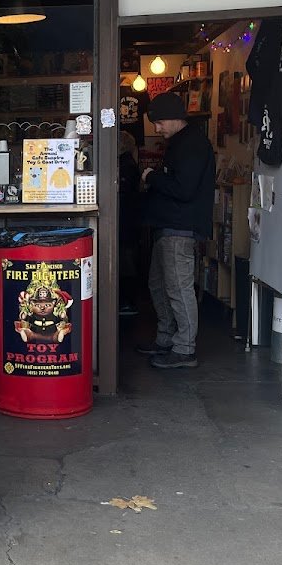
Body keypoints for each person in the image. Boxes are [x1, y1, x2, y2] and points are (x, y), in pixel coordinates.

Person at [136, 91, 215, 369]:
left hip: (180, 227)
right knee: (159, 285)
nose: (157, 129)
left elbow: (183, 189)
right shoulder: (181, 143)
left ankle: (184, 348)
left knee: (179, 289)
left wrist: (152, 177)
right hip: (168, 226)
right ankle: (166, 338)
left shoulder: (193, 144)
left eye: (158, 122)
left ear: (173, 117)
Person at [118, 131, 142, 316]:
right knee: (127, 259)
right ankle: (127, 301)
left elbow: (124, 193)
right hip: (130, 219)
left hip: (124, 219)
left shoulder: (125, 165)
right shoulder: (130, 163)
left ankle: (126, 302)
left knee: (125, 261)